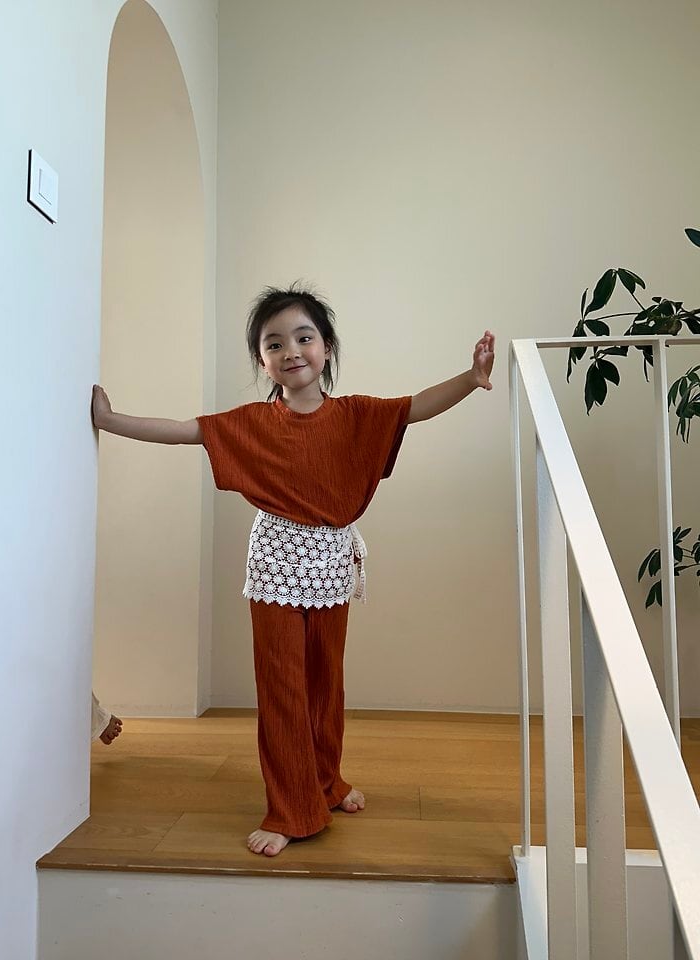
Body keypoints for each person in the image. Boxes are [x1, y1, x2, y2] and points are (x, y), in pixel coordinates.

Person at [92, 284, 494, 857]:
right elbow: (184, 430)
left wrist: (471, 378)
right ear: (263, 361)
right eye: (274, 344)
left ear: (326, 347)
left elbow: (415, 407)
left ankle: (326, 784)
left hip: (330, 565)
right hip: (276, 568)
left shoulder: (357, 415)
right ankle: (291, 808)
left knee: (326, 682)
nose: (291, 351)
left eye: (303, 338)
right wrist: (110, 420)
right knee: (283, 687)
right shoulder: (253, 423)